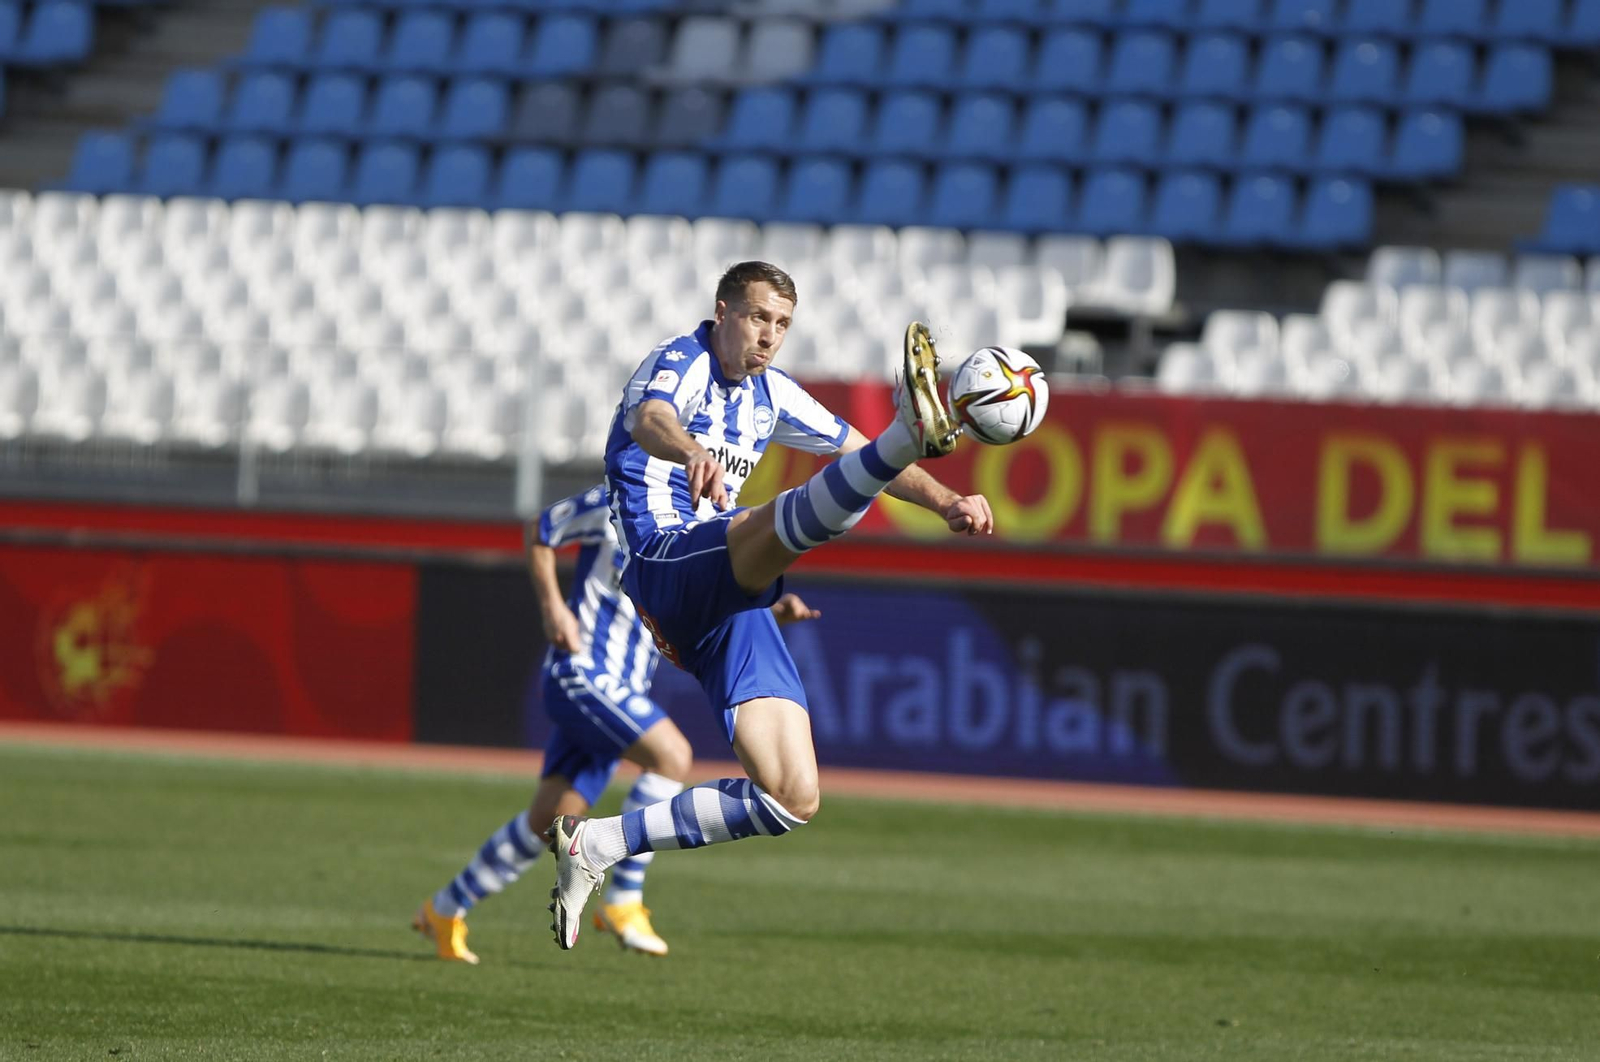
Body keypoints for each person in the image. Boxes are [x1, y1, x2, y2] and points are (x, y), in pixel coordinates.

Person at [546, 261, 993, 949]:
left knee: (791, 795)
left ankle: (597, 844)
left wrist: (948, 501)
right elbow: (649, 417)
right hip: (664, 558)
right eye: (758, 318)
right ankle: (908, 426)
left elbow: (856, 450)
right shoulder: (680, 363)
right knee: (771, 524)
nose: (769, 336)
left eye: (782, 324)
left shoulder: (772, 394)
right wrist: (691, 449)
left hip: (727, 601)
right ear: (722, 311)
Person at [413, 483, 820, 962]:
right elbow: (541, 530)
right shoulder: (619, 498)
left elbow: (698, 603)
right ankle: (623, 899)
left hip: (624, 690)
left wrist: (770, 611)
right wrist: (552, 607)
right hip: (582, 670)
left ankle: (443, 909)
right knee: (672, 755)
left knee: (550, 819)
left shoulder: (699, 519)